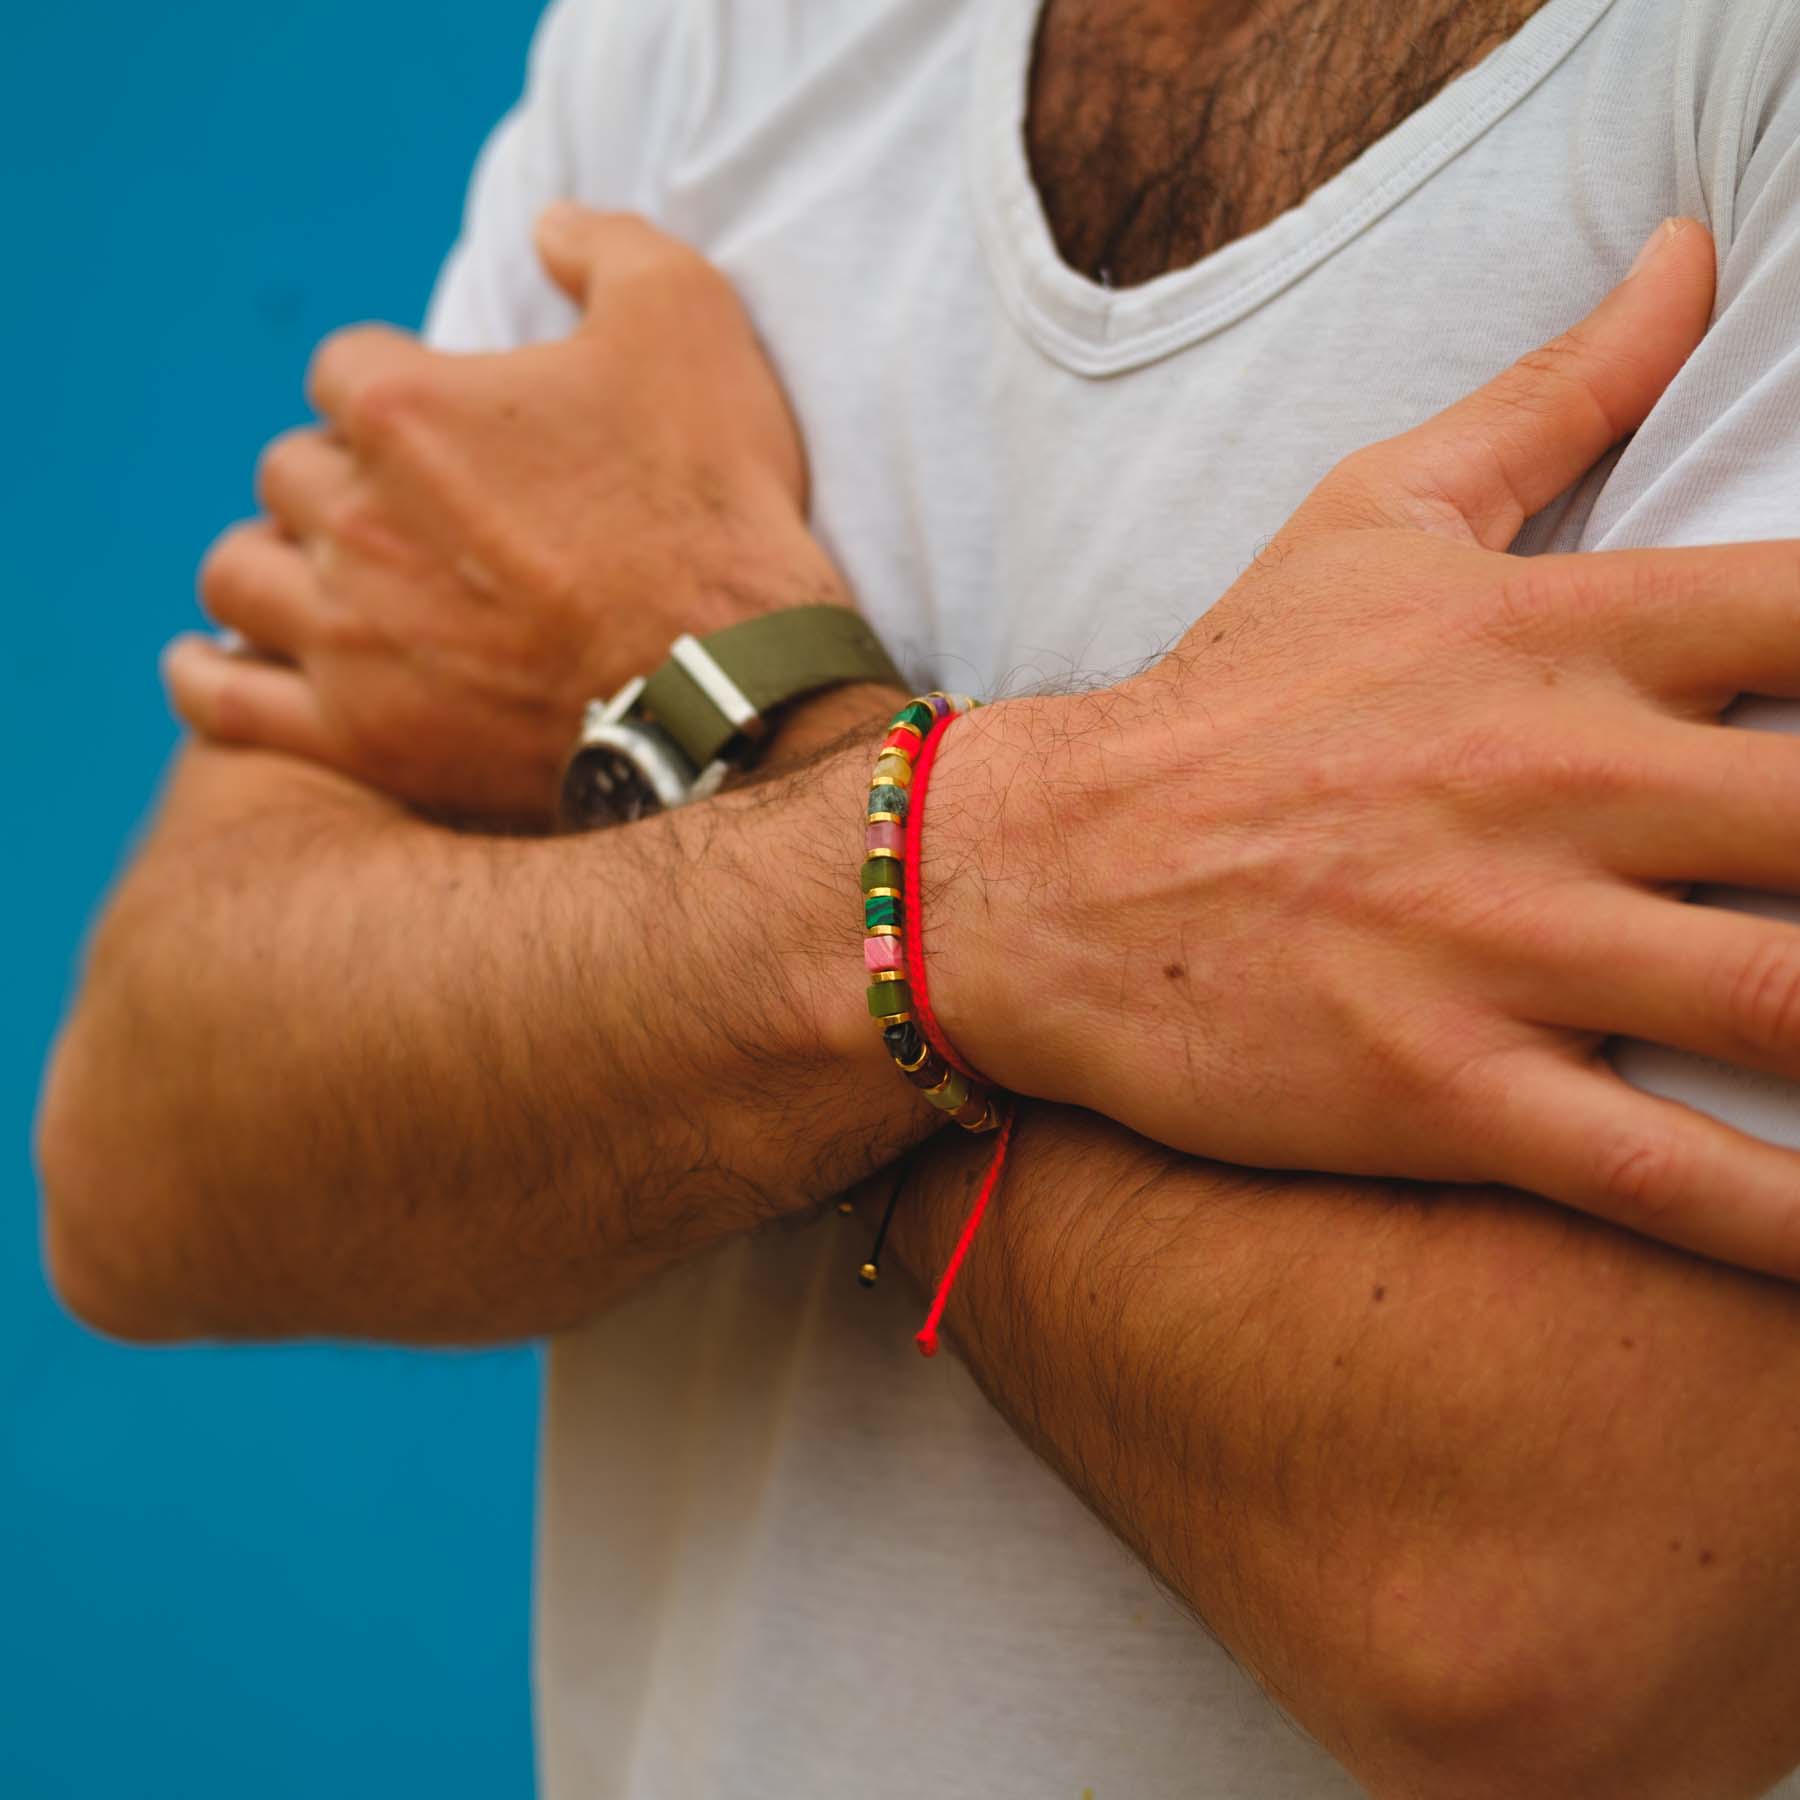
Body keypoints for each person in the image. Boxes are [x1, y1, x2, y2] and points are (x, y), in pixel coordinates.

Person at [37, 0, 1800, 1793]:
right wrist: (1027, 881)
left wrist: (717, 696)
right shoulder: (704, 41)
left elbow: (1546, 1601)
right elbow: (152, 1136)